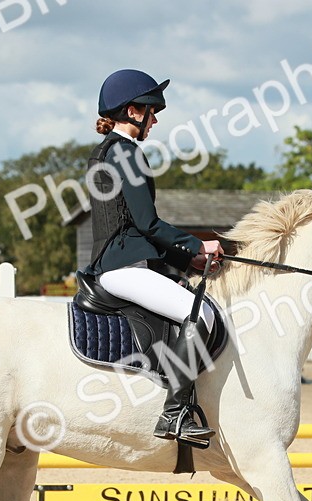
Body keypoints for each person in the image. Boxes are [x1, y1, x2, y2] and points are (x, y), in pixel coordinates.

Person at [81, 69, 224, 446]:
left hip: (118, 263)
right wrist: (197, 246)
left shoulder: (106, 152)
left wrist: (183, 262)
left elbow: (132, 226)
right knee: (200, 313)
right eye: (151, 111)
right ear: (132, 111)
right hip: (122, 267)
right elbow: (147, 224)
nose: (155, 119)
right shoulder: (127, 154)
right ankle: (174, 413)